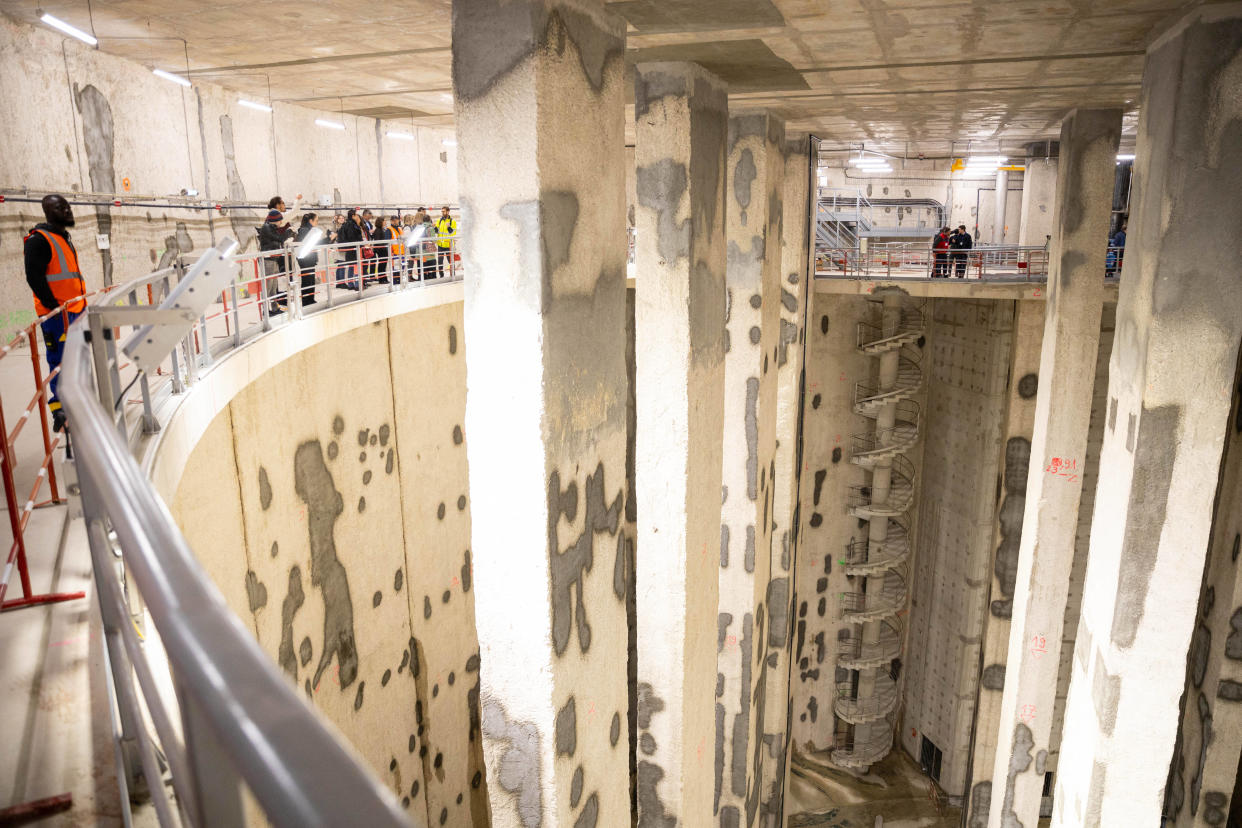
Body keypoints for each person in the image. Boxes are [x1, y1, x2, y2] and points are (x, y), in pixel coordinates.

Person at [24, 195, 87, 433]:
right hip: (58, 315)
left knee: (76, 360)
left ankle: (77, 405)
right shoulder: (39, 240)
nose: (67, 211)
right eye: (61, 208)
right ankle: (61, 413)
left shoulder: (63, 238)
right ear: (48, 212)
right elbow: (34, 277)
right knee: (60, 361)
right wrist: (53, 307)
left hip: (75, 310)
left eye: (68, 206)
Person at [257, 204, 293, 315]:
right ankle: (265, 311)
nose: (281, 222)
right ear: (275, 220)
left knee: (273, 287)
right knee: (268, 286)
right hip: (268, 260)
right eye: (280, 220)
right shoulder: (266, 228)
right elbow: (279, 238)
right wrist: (288, 232)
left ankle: (273, 308)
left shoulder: (272, 228)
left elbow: (279, 240)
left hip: (273, 259)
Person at [294, 213, 325, 306]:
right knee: (307, 279)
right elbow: (308, 244)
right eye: (316, 220)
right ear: (310, 221)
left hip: (309, 259)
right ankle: (305, 301)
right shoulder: (304, 230)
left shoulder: (310, 230)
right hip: (305, 259)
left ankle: (310, 299)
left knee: (311, 279)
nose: (317, 222)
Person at [337, 209, 364, 290]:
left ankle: (350, 284)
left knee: (351, 266)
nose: (357, 217)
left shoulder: (345, 225)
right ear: (353, 216)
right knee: (355, 266)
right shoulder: (352, 225)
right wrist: (361, 243)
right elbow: (353, 237)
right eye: (356, 215)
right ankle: (356, 285)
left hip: (349, 249)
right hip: (354, 248)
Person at [435, 206, 457, 279]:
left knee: (450, 261)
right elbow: (436, 230)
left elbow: (453, 233)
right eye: (442, 211)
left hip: (448, 245)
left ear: (448, 212)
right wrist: (434, 228)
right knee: (440, 262)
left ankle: (453, 275)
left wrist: (449, 227)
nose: (442, 213)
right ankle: (441, 276)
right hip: (440, 245)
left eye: (443, 211)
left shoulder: (452, 221)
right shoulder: (439, 220)